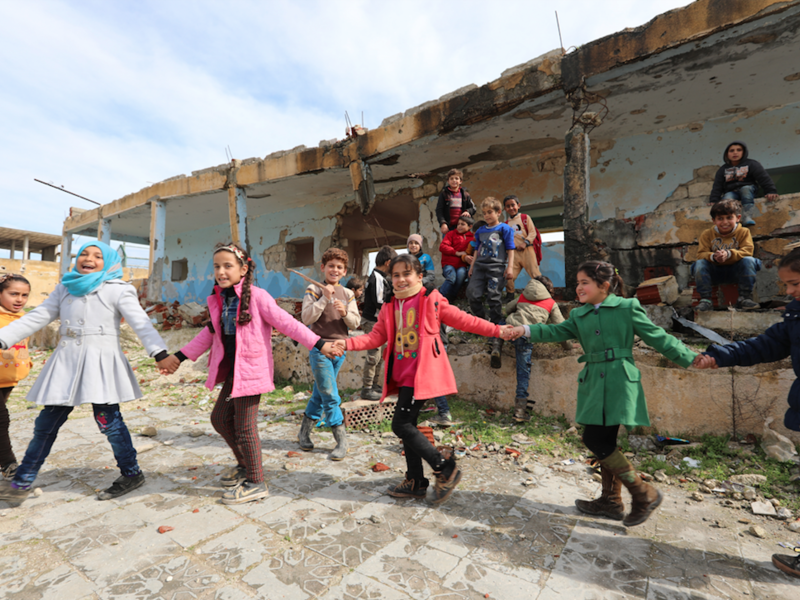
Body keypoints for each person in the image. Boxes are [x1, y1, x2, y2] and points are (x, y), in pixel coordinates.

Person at [507, 260, 703, 526]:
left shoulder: (627, 308)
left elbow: (657, 336)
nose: (578, 288)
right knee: (605, 440)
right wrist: (525, 329)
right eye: (577, 283)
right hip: (593, 383)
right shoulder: (579, 315)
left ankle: (642, 493)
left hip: (619, 380)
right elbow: (555, 330)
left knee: (595, 439)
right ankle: (611, 501)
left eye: (584, 282)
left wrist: (690, 357)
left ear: (604, 285)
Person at [0, 242, 174, 505]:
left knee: (109, 423)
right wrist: (3, 338)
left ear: (109, 262)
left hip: (101, 363)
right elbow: (37, 316)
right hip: (66, 363)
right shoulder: (65, 287)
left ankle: (132, 473)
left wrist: (159, 353)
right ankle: (22, 481)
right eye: (84, 253)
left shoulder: (118, 289)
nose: (88, 258)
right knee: (45, 424)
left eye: (97, 256)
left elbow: (141, 322)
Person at [334, 254, 515, 504]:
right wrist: (346, 343)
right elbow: (375, 337)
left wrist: (497, 330)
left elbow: (464, 320)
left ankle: (444, 468)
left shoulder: (430, 299)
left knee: (400, 425)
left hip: (420, 376)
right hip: (401, 376)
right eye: (396, 275)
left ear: (420, 276)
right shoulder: (389, 306)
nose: (401, 279)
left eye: (406, 274)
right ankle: (416, 481)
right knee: (408, 425)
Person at [166, 244, 338, 504]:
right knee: (220, 419)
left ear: (243, 269)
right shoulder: (221, 299)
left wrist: (319, 343)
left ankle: (256, 482)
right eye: (217, 266)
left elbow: (287, 323)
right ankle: (245, 465)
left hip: (251, 373)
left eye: (228, 266)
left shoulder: (258, 297)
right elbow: (209, 334)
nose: (221, 272)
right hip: (233, 373)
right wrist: (178, 357)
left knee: (245, 428)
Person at [695, 246, 800, 579]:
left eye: (795, 284)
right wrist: (719, 355)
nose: (789, 292)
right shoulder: (795, 315)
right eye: (786, 285)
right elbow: (765, 345)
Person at [298, 248, 360, 460]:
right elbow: (306, 318)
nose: (335, 270)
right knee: (330, 394)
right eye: (331, 266)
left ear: (344, 271)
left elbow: (355, 322)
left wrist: (345, 313)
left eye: (339, 267)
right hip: (319, 347)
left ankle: (303, 433)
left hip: (340, 348)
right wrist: (324, 299)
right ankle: (341, 441)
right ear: (323, 268)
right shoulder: (314, 289)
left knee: (320, 392)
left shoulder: (348, 294)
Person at [504, 275, 570, 423]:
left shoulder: (523, 296)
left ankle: (495, 344)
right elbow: (561, 329)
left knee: (501, 324)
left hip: (511, 330)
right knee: (523, 374)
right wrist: (568, 346)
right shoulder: (550, 303)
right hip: (527, 336)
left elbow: (507, 309)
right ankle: (520, 411)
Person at [466, 196, 516, 368]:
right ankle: (483, 322)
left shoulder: (504, 228)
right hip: (479, 267)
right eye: (484, 213)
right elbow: (476, 249)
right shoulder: (480, 231)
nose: (487, 216)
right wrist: (472, 266)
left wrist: (510, 267)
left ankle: (497, 326)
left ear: (498, 212)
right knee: (472, 294)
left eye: (490, 212)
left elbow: (510, 249)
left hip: (497, 268)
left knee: (494, 297)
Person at [692, 198, 761, 312]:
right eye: (720, 218)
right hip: (715, 273)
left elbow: (747, 251)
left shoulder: (744, 232)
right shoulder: (707, 234)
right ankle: (706, 300)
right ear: (714, 220)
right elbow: (701, 254)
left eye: (729, 217)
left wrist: (729, 254)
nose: (725, 222)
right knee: (699, 264)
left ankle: (744, 298)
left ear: (738, 218)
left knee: (749, 260)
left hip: (737, 272)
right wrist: (713, 256)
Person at [0, 274, 32, 480]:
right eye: (13, 294)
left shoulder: (26, 319)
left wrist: (27, 364)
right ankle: (8, 464)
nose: (19, 299)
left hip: (9, 379)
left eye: (24, 295)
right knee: (1, 419)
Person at [709, 141, 778, 227]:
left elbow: (763, 178)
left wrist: (770, 191)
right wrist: (714, 200)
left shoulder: (752, 164)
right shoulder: (723, 169)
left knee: (745, 190)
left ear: (744, 152)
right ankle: (731, 220)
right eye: (731, 151)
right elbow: (717, 185)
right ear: (726, 154)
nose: (735, 153)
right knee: (726, 200)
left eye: (739, 150)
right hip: (732, 192)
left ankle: (747, 217)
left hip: (749, 189)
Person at [360, 246, 397, 401]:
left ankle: (374, 385)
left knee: (380, 356)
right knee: (373, 356)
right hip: (372, 321)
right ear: (388, 263)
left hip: (378, 322)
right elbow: (379, 301)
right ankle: (367, 388)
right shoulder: (377, 278)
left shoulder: (380, 277)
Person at [503, 195, 542, 299]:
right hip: (514, 253)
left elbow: (532, 233)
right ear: (505, 209)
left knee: (535, 274)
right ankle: (510, 296)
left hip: (527, 250)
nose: (511, 208)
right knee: (509, 276)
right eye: (508, 206)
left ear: (518, 205)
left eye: (513, 205)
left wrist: (525, 243)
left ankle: (544, 295)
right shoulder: (505, 224)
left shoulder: (525, 218)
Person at [439, 214, 474, 301]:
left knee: (461, 276)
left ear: (470, 226)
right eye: (458, 224)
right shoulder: (451, 234)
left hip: (462, 265)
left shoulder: (472, 238)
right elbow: (442, 247)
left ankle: (451, 297)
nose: (459, 226)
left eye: (462, 224)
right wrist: (456, 253)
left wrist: (467, 257)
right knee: (451, 278)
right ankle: (438, 299)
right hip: (448, 264)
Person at [435, 168, 476, 235]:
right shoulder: (444, 195)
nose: (454, 180)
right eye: (451, 178)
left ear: (460, 181)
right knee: (447, 242)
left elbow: (473, 208)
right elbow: (439, 210)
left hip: (463, 228)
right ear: (448, 181)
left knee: (464, 242)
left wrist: (467, 211)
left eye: (456, 178)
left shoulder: (465, 195)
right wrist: (443, 223)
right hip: (449, 228)